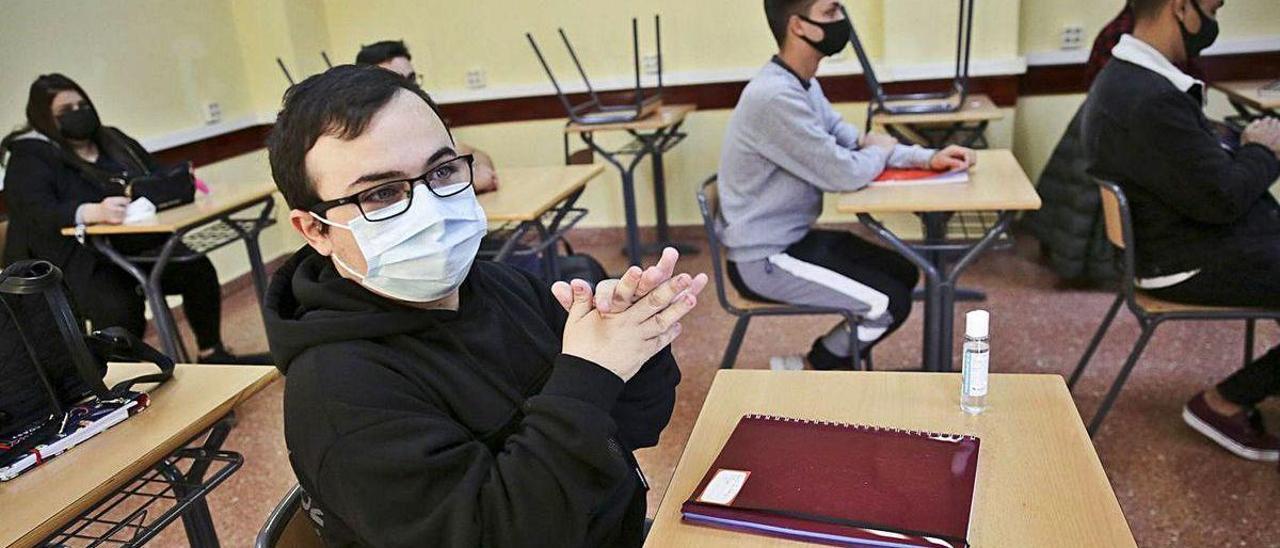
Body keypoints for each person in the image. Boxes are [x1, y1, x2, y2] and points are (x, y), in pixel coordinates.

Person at [262, 65, 707, 546]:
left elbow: (635, 425)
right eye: (383, 193)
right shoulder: (338, 393)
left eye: (443, 170)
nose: (430, 206)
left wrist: (635, 342)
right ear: (315, 230)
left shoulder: (499, 286)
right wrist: (589, 375)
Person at [718, 0, 974, 370]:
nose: (843, 20)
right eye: (831, 11)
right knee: (889, 303)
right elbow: (844, 173)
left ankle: (836, 364)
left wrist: (925, 158)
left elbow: (854, 142)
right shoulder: (774, 97)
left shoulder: (801, 84)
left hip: (792, 238)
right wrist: (880, 153)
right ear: (799, 27)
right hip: (763, 258)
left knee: (903, 272)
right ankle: (812, 366)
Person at [1082, 0, 1280, 462]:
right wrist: (1264, 151)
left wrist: (1234, 146)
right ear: (1179, 7)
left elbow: (1197, 175)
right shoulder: (1150, 97)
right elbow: (1224, 198)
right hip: (1182, 261)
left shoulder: (1128, 77)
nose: (1214, 19)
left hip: (1178, 245)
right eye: (1212, 7)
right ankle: (1224, 402)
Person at [0, 74, 248, 363]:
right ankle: (124, 390)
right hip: (79, 259)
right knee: (120, 309)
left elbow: (154, 174)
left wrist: (180, 185)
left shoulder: (113, 140)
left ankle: (212, 353)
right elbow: (35, 210)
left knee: (196, 268)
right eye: (65, 111)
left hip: (135, 245)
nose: (78, 114)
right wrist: (89, 211)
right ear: (44, 118)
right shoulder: (31, 156)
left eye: (82, 105)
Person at [356, 40, 500, 194]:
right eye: (397, 83)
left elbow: (476, 154)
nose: (410, 90)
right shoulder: (368, 140)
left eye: (411, 80)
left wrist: (478, 171)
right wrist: (470, 181)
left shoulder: (418, 123)